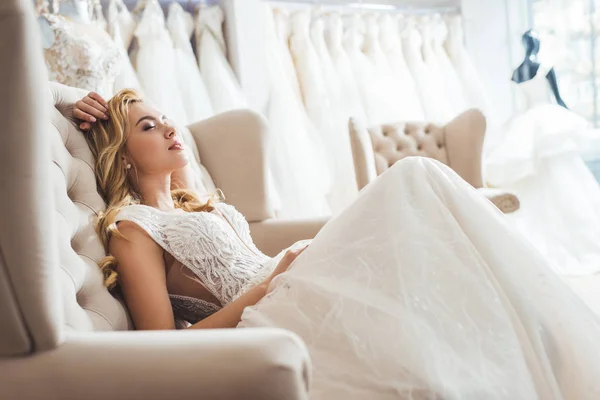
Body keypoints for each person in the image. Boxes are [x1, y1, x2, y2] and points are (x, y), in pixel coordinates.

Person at [75, 89, 600, 399]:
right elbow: (161, 346)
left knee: (433, 238)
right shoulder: (133, 228)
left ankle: (539, 345)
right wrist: (260, 294)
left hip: (298, 276)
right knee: (414, 176)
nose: (170, 127)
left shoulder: (192, 202)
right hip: (277, 303)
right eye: (149, 125)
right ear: (123, 153)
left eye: (166, 118)